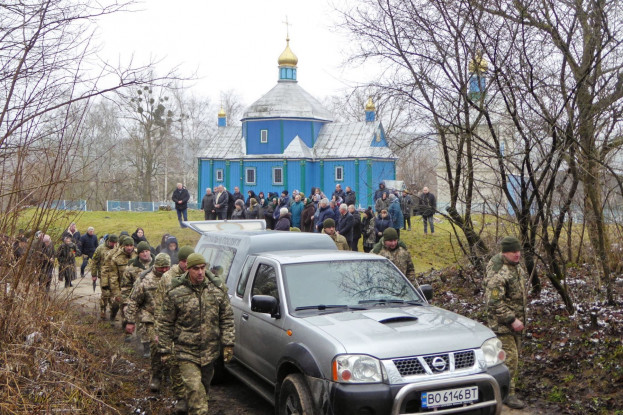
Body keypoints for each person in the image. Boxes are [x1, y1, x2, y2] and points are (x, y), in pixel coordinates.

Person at [158, 253, 235, 415]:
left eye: (202, 268)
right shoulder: (176, 293)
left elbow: (227, 318)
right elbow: (165, 323)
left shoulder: (216, 290)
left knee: (203, 390)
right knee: (194, 390)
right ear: (188, 270)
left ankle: (190, 406)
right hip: (185, 352)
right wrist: (165, 350)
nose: (200, 272)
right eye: (195, 269)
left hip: (209, 352)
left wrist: (228, 343)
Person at [483, 237, 527, 410]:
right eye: (513, 252)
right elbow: (494, 302)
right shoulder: (499, 272)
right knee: (510, 358)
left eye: (518, 251)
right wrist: (512, 319)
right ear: (504, 252)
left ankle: (509, 388)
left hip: (517, 322)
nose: (517, 254)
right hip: (502, 325)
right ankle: (506, 393)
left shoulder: (516, 267)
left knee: (515, 357)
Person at [155, 245, 194, 412]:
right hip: (173, 327)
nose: (187, 265)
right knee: (174, 363)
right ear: (180, 261)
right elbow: (159, 305)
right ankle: (181, 397)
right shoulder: (168, 277)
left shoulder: (197, 276)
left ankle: (195, 395)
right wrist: (159, 331)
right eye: (184, 261)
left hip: (192, 327)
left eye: (189, 261)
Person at [125, 253, 171, 393]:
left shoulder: (173, 278)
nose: (164, 270)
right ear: (155, 266)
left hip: (169, 318)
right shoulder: (145, 280)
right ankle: (156, 376)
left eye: (166, 267)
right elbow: (134, 301)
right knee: (156, 346)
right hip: (150, 317)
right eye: (161, 268)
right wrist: (130, 321)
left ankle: (169, 374)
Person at [120, 241, 154, 341]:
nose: (145, 254)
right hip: (137, 299)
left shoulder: (157, 265)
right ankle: (140, 342)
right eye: (142, 252)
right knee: (141, 323)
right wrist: (126, 303)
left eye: (147, 251)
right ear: (138, 253)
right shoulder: (131, 268)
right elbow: (126, 287)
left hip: (153, 300)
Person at [109, 237, 137, 323]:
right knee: (116, 304)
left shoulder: (137, 255)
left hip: (134, 287)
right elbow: (113, 277)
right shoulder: (116, 258)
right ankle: (113, 316)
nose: (129, 248)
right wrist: (116, 293)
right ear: (123, 246)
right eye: (127, 245)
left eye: (131, 245)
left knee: (129, 310)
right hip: (121, 287)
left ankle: (127, 325)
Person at [93, 234, 118, 320]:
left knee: (113, 294)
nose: (113, 244)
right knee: (105, 293)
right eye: (112, 242)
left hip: (114, 275)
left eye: (115, 243)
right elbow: (94, 261)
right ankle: (103, 310)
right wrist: (94, 274)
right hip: (103, 274)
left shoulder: (117, 249)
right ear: (108, 241)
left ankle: (112, 311)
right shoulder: (100, 248)